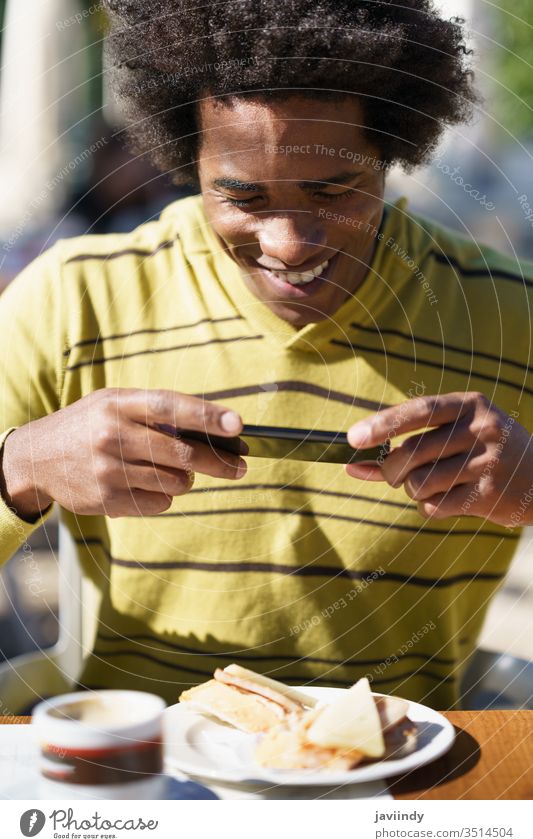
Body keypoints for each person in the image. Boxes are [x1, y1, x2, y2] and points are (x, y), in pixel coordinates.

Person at [0, 0, 532, 710]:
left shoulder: (512, 315)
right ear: (185, 156)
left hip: (399, 780)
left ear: (392, 150)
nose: (287, 242)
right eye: (242, 197)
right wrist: (21, 468)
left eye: (332, 190)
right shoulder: (72, 299)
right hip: (141, 779)